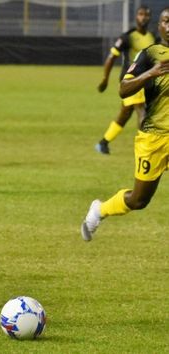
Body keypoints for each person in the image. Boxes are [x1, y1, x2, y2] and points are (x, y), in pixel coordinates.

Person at [81, 7, 169, 241]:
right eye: (166, 22)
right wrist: (149, 74)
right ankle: (100, 210)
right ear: (159, 26)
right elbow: (123, 89)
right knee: (139, 200)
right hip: (153, 138)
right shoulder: (149, 54)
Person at [95, 5, 155, 154]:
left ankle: (103, 143)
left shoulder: (152, 37)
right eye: (141, 14)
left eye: (146, 15)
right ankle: (146, 146)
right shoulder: (127, 37)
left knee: (125, 113)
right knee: (142, 111)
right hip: (132, 79)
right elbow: (111, 57)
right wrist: (105, 79)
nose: (143, 17)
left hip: (145, 81)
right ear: (136, 17)